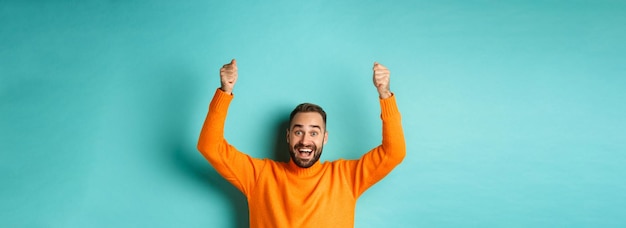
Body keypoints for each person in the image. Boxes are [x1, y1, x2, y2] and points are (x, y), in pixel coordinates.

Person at [197, 59, 406, 228]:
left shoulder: (346, 177)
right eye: (299, 132)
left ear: (325, 138)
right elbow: (209, 146)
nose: (305, 141)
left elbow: (394, 153)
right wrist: (224, 92)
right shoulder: (260, 175)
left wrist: (385, 95)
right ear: (288, 136)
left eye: (314, 133)